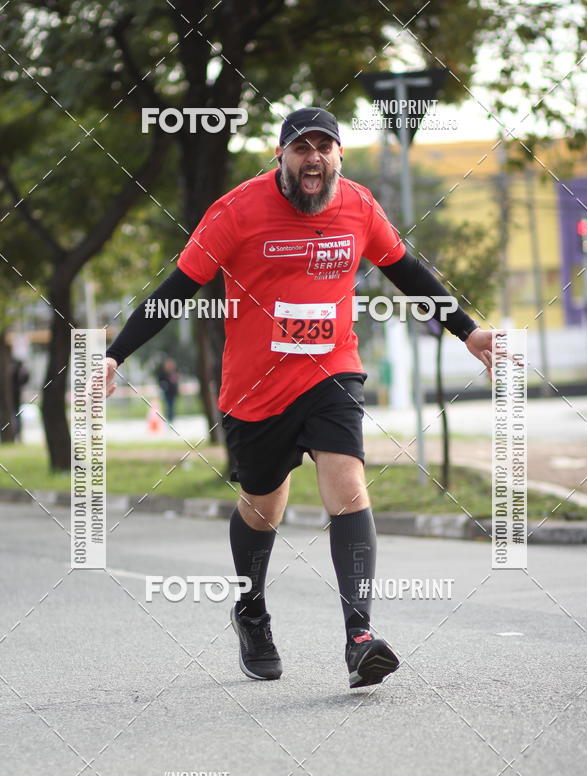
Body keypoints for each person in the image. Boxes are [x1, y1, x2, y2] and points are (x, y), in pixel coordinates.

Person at [101, 107, 495, 689]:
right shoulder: (236, 211)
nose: (314, 157)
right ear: (281, 157)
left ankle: (359, 637)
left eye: (325, 147)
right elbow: (177, 289)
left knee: (347, 484)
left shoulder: (358, 205)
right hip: (254, 390)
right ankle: (251, 613)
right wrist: (117, 354)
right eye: (301, 147)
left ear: (338, 156)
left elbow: (406, 271)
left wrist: (467, 330)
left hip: (332, 374)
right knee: (265, 508)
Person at [11, 357, 29, 440]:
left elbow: (26, 378)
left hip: (15, 396)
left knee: (16, 415)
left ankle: (17, 434)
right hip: (14, 396)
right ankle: (16, 434)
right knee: (15, 415)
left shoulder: (15, 370)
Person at [156, 357, 179, 423]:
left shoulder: (174, 372)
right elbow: (160, 382)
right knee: (168, 406)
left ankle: (171, 418)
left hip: (173, 392)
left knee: (172, 406)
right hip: (166, 392)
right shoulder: (163, 373)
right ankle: (169, 419)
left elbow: (176, 382)